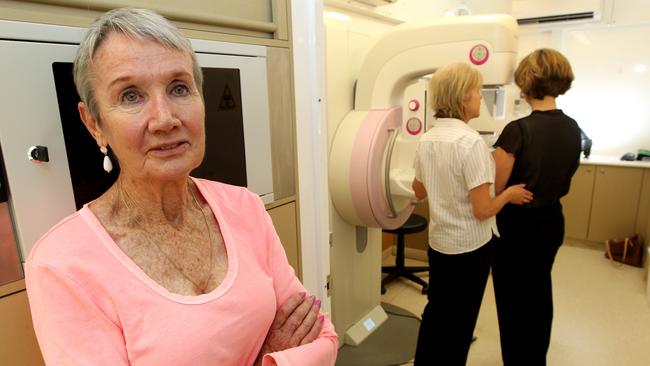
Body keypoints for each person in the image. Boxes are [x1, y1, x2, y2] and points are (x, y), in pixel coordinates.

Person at [25, 8, 337, 366]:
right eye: (130, 96)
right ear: (94, 123)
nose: (165, 119)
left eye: (179, 88)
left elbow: (321, 338)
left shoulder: (244, 208)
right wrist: (267, 357)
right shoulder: (62, 265)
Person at [411, 62, 532, 365]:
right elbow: (483, 210)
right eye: (477, 91)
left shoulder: (426, 139)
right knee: (460, 321)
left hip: (440, 244)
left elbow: (419, 190)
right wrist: (508, 195)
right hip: (469, 248)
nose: (481, 97)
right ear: (463, 98)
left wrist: (443, 188)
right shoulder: (471, 143)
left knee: (436, 312)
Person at [491, 48, 581, 365]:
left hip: (517, 228)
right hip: (552, 222)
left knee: (513, 302)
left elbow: (495, 188)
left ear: (526, 83)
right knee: (540, 293)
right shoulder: (573, 128)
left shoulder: (518, 130)